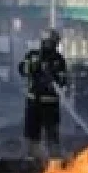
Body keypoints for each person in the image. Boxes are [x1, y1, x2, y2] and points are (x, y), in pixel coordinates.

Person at [18, 29, 68, 158]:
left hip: (51, 104)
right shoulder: (32, 55)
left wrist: (52, 77)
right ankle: (31, 158)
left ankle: (54, 160)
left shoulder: (59, 59)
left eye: (54, 42)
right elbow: (22, 70)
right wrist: (34, 65)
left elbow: (63, 81)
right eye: (49, 42)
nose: (51, 45)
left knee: (52, 133)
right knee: (31, 133)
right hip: (33, 102)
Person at [69, 61, 88, 126]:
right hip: (80, 93)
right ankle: (81, 122)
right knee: (80, 108)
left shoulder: (87, 72)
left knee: (85, 108)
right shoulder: (76, 73)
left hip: (85, 93)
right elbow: (71, 82)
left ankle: (87, 122)